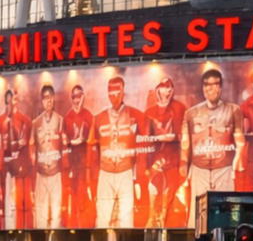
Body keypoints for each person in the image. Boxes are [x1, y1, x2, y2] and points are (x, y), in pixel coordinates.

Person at [179, 68, 246, 216]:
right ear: (203, 88)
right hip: (199, 168)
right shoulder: (191, 113)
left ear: (220, 87)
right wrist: (184, 165)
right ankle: (196, 238)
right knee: (197, 213)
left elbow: (240, 141)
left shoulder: (233, 110)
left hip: (224, 168)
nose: (211, 88)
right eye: (207, 85)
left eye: (215, 84)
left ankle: (227, 237)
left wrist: (236, 167)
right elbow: (185, 143)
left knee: (226, 209)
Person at [93, 74, 145, 230]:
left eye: (117, 91)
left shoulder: (135, 115)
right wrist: (92, 176)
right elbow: (92, 148)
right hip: (105, 172)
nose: (114, 95)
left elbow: (143, 147)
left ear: (123, 92)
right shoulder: (99, 118)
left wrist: (139, 177)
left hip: (126, 171)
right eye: (111, 91)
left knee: (126, 217)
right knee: (102, 217)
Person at [141, 76, 187, 228]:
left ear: (172, 90)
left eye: (168, 87)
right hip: (156, 160)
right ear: (157, 90)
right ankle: (152, 220)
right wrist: (147, 167)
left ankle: (164, 221)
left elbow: (184, 137)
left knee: (169, 196)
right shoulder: (149, 112)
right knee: (152, 190)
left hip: (174, 161)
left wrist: (183, 163)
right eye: (162, 87)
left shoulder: (180, 108)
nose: (165, 90)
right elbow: (145, 141)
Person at [0, 86, 32, 231]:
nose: (12, 102)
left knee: (19, 207)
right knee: (3, 207)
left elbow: (28, 151)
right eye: (9, 99)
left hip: (19, 174)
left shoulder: (25, 121)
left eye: (14, 98)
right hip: (3, 175)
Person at [31, 83, 66, 229]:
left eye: (51, 97)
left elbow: (64, 146)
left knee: (56, 212)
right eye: (45, 98)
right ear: (42, 101)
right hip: (41, 173)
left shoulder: (60, 120)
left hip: (56, 172)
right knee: (41, 213)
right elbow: (32, 147)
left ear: (54, 99)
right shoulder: (36, 122)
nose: (48, 101)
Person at [61, 83, 95, 228]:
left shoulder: (88, 115)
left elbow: (92, 140)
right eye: (75, 96)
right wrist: (73, 142)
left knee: (85, 198)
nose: (77, 100)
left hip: (86, 166)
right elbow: (63, 142)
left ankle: (86, 226)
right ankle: (72, 226)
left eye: (80, 96)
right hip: (72, 166)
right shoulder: (67, 117)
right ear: (71, 98)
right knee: (72, 198)